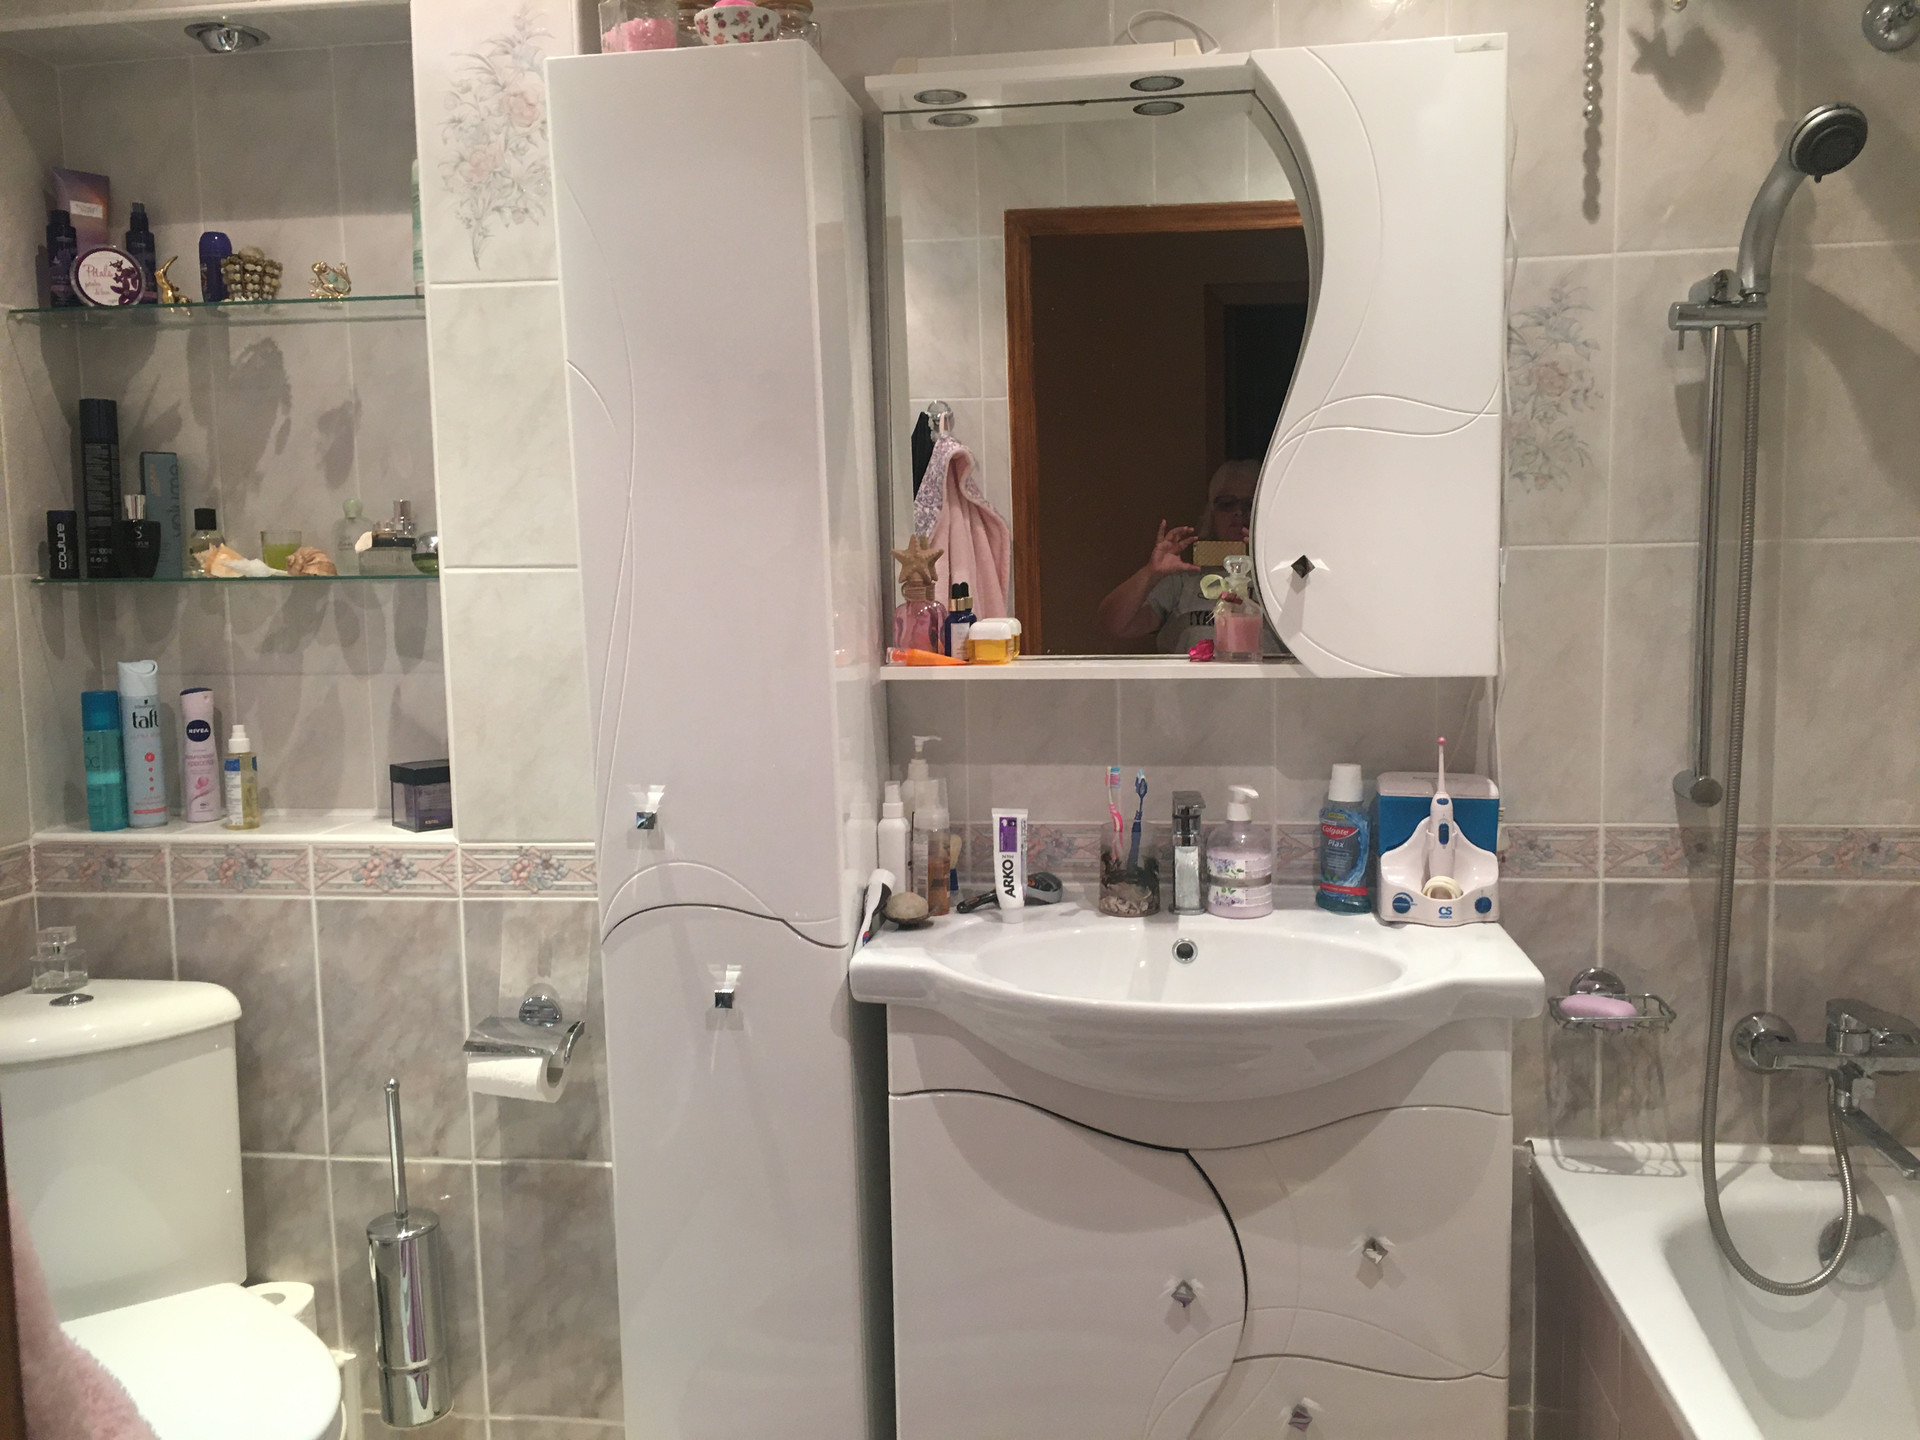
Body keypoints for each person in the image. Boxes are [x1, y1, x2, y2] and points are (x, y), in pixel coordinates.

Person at [1098, 459, 1262, 654]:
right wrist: (1151, 573)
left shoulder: (1276, 579)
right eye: (1227, 504)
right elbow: (1114, 624)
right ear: (1212, 513)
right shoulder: (1186, 577)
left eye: (1249, 504)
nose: (1238, 512)